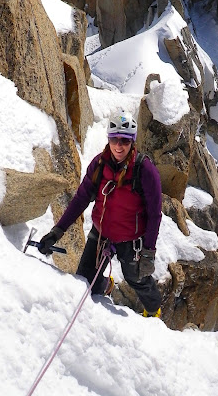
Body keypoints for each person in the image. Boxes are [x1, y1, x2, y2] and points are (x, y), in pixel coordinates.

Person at [38, 110, 163, 317]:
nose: (119, 146)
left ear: (132, 141)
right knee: (86, 282)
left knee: (137, 279)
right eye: (114, 139)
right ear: (109, 139)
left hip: (131, 240)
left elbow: (154, 214)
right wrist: (57, 232)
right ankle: (105, 285)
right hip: (102, 234)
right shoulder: (99, 165)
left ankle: (153, 311)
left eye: (124, 140)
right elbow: (80, 200)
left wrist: (148, 251)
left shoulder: (144, 170)